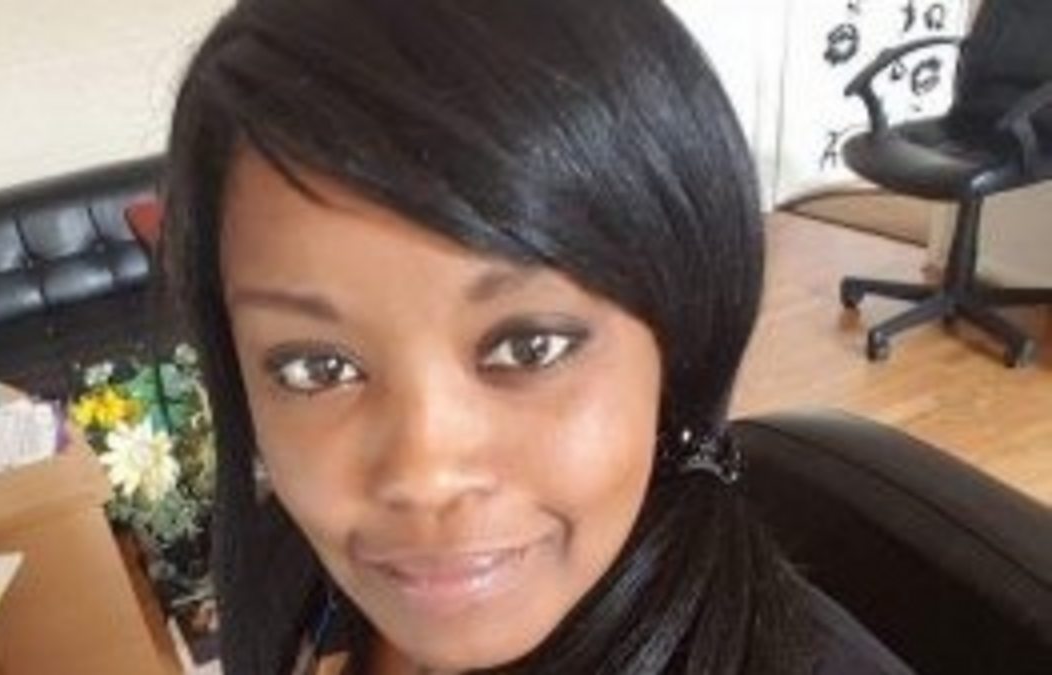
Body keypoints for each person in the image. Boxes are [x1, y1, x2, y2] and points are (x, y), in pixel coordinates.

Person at [161, 1, 915, 673]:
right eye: (316, 367)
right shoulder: (292, 576)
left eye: (528, 347)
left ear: (680, 345)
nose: (424, 474)